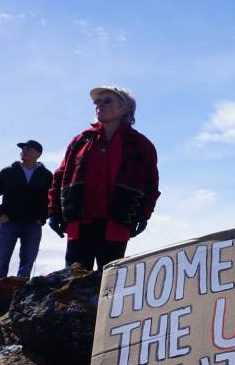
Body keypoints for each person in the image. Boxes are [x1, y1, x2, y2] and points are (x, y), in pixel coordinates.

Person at [49, 87, 160, 271]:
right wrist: (54, 211)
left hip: (117, 222)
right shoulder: (81, 140)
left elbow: (151, 185)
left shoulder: (141, 145)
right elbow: (60, 176)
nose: (99, 105)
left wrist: (143, 215)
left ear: (124, 109)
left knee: (110, 280)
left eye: (107, 101)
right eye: (97, 102)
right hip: (79, 221)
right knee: (73, 278)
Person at [0, 140, 53, 280]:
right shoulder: (8, 172)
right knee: (0, 264)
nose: (24, 151)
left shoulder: (46, 175)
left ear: (38, 153)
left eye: (28, 148)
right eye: (23, 149)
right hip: (8, 223)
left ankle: (22, 293)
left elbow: (52, 199)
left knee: (26, 266)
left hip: (33, 225)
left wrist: (42, 218)